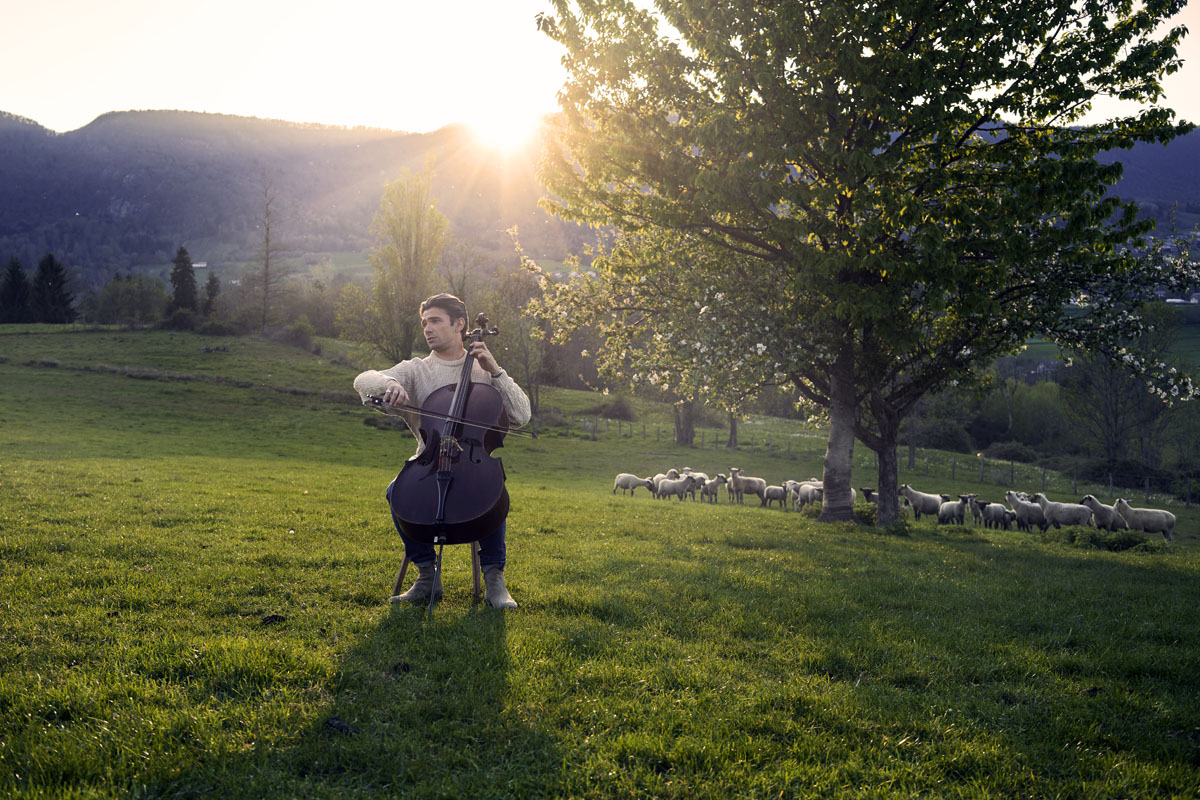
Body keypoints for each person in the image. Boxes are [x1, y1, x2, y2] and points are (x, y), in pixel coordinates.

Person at [353, 293, 531, 609]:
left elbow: (521, 415)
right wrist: (388, 385)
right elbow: (365, 383)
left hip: (473, 464)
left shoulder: (484, 369)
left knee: (491, 491)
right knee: (396, 492)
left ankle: (495, 581)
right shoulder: (417, 369)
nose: (428, 329)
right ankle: (427, 576)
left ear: (459, 324)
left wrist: (498, 372)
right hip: (429, 463)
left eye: (435, 321)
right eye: (424, 322)